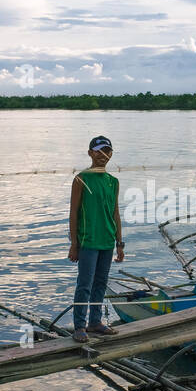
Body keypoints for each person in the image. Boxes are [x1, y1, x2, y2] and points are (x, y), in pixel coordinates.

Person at [68, 135, 124, 343]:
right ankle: (79, 326)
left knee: (100, 283)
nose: (103, 155)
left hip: (107, 241)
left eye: (107, 151)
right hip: (88, 241)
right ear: (90, 153)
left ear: (111, 154)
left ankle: (95, 322)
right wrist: (74, 243)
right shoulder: (81, 179)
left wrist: (120, 243)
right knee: (85, 284)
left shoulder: (113, 181)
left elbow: (115, 213)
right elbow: (73, 213)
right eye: (98, 151)